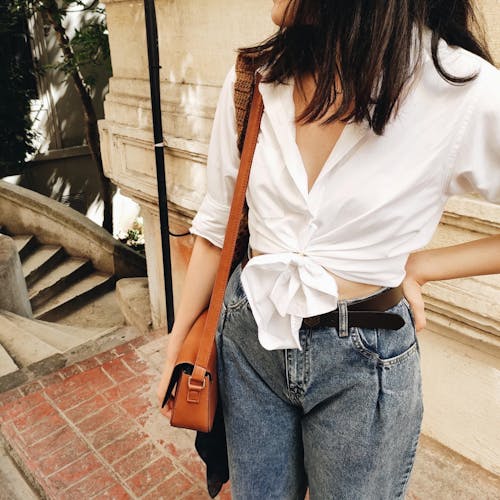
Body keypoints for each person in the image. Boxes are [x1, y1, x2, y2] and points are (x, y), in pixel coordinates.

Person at [158, 1, 500, 498]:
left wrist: (422, 266)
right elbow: (216, 224)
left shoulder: (458, 90)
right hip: (250, 341)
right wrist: (178, 341)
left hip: (364, 362)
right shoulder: (260, 77)